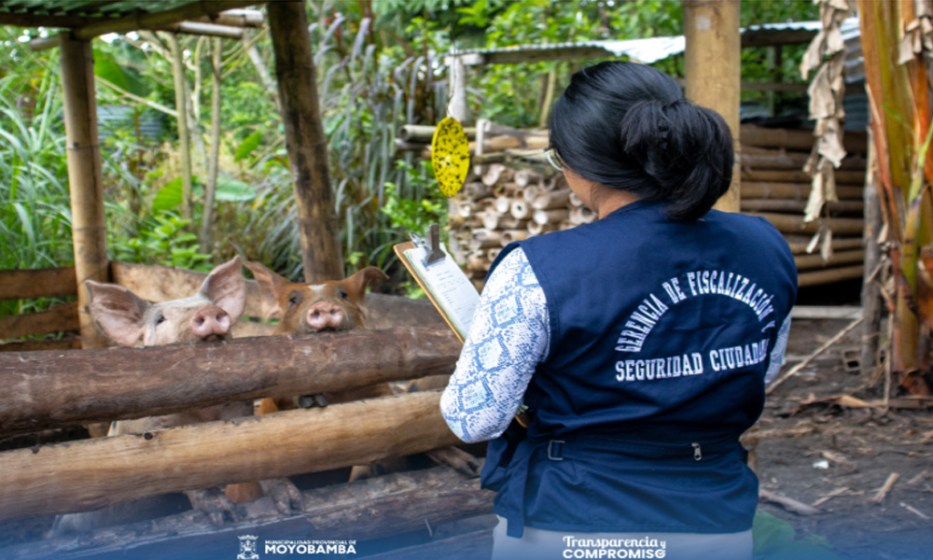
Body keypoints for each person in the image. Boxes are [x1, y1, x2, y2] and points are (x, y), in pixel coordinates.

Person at [440, 61, 797, 560]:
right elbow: (761, 367)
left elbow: (473, 420)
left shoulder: (538, 268)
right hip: (717, 521)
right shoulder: (765, 245)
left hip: (574, 525)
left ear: (579, 166)